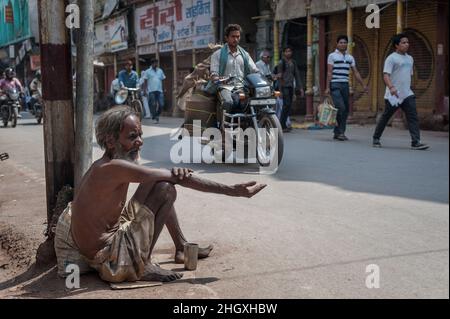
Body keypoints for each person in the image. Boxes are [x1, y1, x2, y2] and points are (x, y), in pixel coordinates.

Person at [54, 106, 266, 283]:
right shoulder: (112, 167)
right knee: (165, 187)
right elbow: (178, 179)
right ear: (110, 142)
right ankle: (142, 265)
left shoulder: (105, 164)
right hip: (111, 258)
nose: (140, 142)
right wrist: (234, 191)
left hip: (107, 242)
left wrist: (173, 174)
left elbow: (159, 176)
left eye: (140, 135)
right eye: (132, 136)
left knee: (157, 183)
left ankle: (181, 246)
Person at [372, 33, 429, 150]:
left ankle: (416, 142)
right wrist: (391, 87)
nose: (406, 44)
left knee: (413, 117)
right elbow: (386, 75)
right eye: (403, 42)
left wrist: (411, 88)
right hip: (394, 95)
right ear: (396, 45)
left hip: (407, 94)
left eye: (407, 42)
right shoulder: (391, 58)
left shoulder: (410, 58)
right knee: (386, 117)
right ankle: (376, 138)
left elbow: (409, 75)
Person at [325, 35, 368, 141]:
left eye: (345, 43)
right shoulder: (332, 56)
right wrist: (327, 87)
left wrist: (363, 85)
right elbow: (329, 72)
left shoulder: (350, 57)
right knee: (341, 107)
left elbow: (356, 72)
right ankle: (340, 132)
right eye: (341, 42)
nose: (343, 44)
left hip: (345, 85)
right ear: (337, 44)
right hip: (335, 84)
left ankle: (338, 131)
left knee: (345, 110)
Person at [210, 24, 260, 112]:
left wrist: (263, 77)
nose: (235, 39)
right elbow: (214, 73)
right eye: (233, 36)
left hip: (242, 87)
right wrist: (217, 78)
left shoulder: (245, 55)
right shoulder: (217, 55)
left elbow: (255, 70)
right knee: (228, 102)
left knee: (252, 103)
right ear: (226, 38)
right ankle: (224, 124)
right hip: (225, 87)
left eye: (238, 36)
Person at [276, 46, 304, 133]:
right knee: (286, 105)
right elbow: (279, 78)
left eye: (290, 51)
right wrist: (280, 90)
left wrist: (300, 88)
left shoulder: (293, 62)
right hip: (284, 86)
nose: (289, 53)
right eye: (287, 51)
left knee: (288, 106)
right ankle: (281, 124)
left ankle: (283, 124)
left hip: (291, 86)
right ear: (284, 53)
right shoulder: (281, 63)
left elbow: (297, 75)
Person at [143, 59, 166, 123]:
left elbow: (163, 79)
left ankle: (156, 115)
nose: (156, 64)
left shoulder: (160, 70)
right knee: (153, 104)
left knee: (161, 104)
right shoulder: (147, 71)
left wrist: (164, 88)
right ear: (152, 64)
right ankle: (155, 116)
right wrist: (144, 90)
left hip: (159, 90)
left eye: (157, 63)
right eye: (155, 63)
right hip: (151, 91)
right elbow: (145, 81)